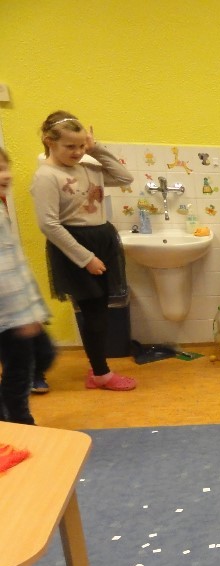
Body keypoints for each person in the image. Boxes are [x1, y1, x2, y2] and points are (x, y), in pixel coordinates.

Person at [29, 111, 136, 391]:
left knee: (101, 309)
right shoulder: (47, 176)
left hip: (102, 239)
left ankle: (98, 369)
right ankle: (100, 374)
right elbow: (49, 225)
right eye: (70, 146)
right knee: (93, 312)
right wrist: (85, 258)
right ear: (49, 141)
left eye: (80, 145)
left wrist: (95, 149)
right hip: (75, 246)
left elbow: (125, 177)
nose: (77, 152)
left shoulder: (88, 166)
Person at [0, 146, 50, 425]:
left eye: (5, 167)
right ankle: (20, 422)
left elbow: (16, 265)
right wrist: (21, 315)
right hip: (9, 316)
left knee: (43, 354)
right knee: (21, 369)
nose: (6, 175)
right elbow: (3, 273)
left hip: (19, 310)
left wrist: (34, 308)